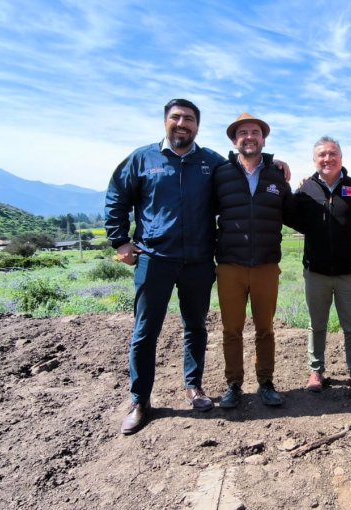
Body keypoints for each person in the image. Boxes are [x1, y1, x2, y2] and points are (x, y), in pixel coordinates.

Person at [106, 99, 224, 435]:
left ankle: (194, 386)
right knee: (146, 331)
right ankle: (140, 400)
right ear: (165, 122)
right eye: (176, 118)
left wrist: (276, 163)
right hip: (154, 259)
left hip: (199, 261)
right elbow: (117, 196)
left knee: (196, 326)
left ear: (197, 126)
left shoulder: (211, 162)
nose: (182, 123)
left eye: (189, 118)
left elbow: (242, 173)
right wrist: (119, 241)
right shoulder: (143, 158)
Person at [213, 113, 296, 409]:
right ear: (235, 140)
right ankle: (234, 384)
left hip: (265, 266)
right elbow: (205, 214)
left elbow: (294, 213)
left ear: (263, 139)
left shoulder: (276, 174)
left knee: (266, 329)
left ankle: (266, 383)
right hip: (230, 266)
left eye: (255, 132)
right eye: (243, 132)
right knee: (231, 330)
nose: (249, 137)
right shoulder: (220, 173)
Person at [293, 136, 351, 399]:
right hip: (315, 272)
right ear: (315, 160)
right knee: (317, 325)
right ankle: (316, 371)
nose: (327, 159)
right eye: (322, 155)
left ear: (341, 157)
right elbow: (290, 217)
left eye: (332, 154)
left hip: (349, 272)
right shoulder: (306, 190)